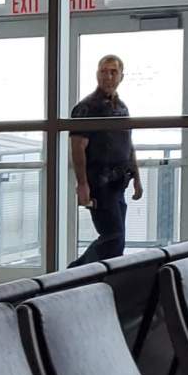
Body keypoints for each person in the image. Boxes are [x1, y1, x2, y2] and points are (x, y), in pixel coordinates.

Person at [70, 54, 142, 266]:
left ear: (121, 76)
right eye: (104, 71)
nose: (108, 76)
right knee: (113, 237)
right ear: (97, 74)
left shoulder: (122, 107)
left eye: (113, 72)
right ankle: (71, 275)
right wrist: (82, 184)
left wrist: (137, 178)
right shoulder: (86, 108)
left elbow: (128, 144)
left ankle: (100, 281)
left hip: (119, 183)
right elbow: (78, 147)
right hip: (99, 183)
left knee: (116, 241)